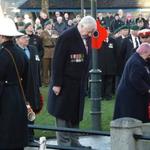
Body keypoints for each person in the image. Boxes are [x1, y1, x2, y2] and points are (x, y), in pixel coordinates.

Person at [47, 15, 97, 149]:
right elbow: (57, 61)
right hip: (65, 84)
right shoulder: (67, 37)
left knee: (75, 114)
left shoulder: (86, 38)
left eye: (91, 31)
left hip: (78, 84)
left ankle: (75, 142)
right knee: (63, 115)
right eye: (89, 30)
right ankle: (64, 144)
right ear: (81, 25)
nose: (90, 34)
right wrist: (57, 84)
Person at [0, 17, 28, 149]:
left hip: (4, 96)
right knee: (17, 131)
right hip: (19, 94)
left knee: (5, 131)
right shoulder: (21, 53)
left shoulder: (2, 54)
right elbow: (28, 78)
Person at [15, 29, 42, 142]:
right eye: (24, 37)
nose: (27, 39)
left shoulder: (33, 49)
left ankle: (30, 135)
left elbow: (37, 66)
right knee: (22, 111)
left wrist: (38, 83)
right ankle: (22, 136)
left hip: (33, 86)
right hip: (21, 87)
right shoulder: (15, 52)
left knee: (32, 110)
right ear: (17, 40)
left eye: (27, 37)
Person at [113, 43, 150, 123]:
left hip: (131, 93)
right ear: (145, 53)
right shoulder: (136, 63)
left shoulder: (138, 58)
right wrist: (147, 89)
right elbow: (135, 79)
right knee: (129, 118)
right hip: (129, 95)